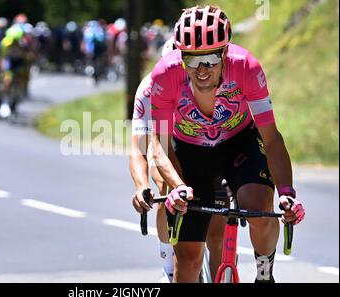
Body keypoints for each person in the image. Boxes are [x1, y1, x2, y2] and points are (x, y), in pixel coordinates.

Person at [149, 5, 305, 283]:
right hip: (190, 152)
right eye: (192, 60)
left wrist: (286, 192)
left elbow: (271, 138)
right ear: (180, 56)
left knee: (258, 205)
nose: (202, 69)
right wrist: (177, 186)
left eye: (210, 58)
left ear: (225, 53)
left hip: (239, 143)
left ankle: (264, 272)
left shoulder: (246, 67)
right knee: (188, 260)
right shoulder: (165, 75)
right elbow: (159, 146)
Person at [130, 38, 226, 283]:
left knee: (220, 203)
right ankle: (168, 267)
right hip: (165, 145)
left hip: (203, 146)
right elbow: (140, 148)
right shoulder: (149, 89)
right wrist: (142, 186)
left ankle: (221, 267)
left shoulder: (213, 82)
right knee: (164, 185)